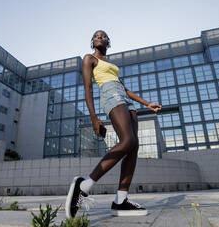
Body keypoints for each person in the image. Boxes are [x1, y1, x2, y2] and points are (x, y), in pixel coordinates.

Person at [65, 30, 161, 218]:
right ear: (92, 42)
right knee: (126, 140)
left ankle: (121, 201)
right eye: (96, 36)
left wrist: (146, 103)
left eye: (104, 36)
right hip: (110, 95)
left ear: (108, 43)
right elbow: (88, 88)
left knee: (133, 146)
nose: (100, 37)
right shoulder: (89, 59)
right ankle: (83, 186)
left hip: (125, 99)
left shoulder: (112, 65)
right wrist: (94, 117)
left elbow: (125, 88)